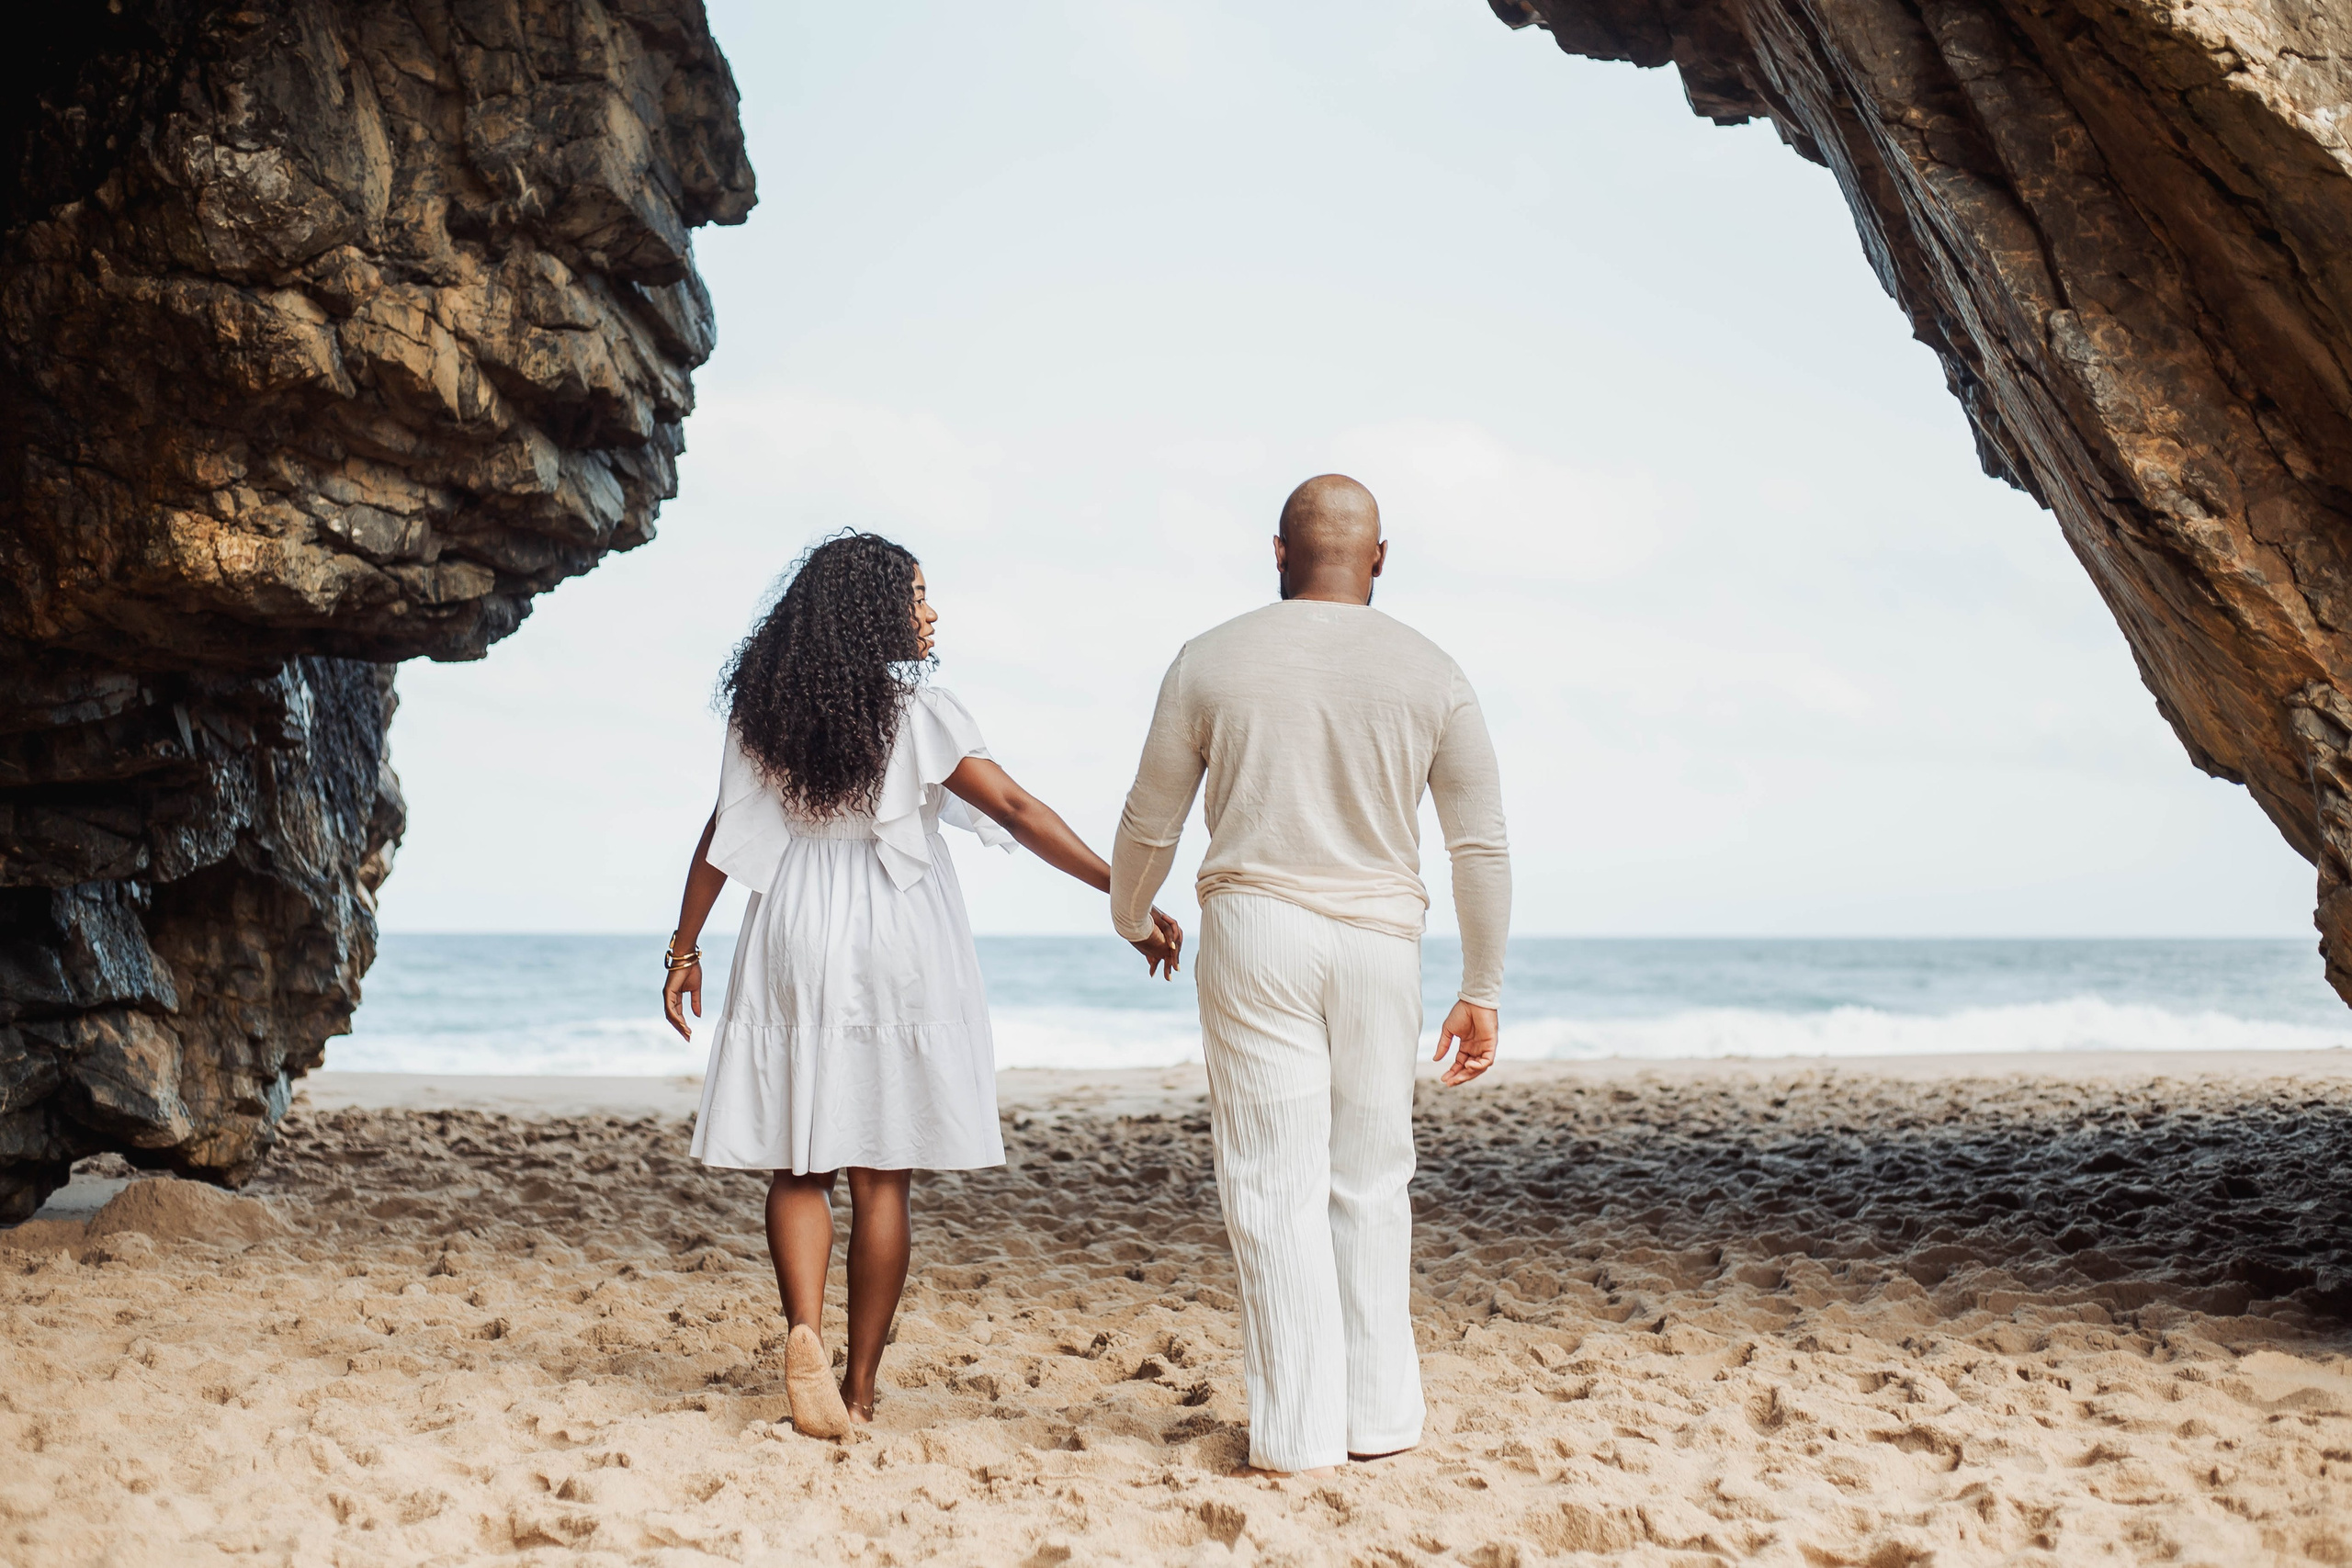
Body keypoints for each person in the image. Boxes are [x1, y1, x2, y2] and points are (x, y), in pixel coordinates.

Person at [662, 532, 1183, 1438]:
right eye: (916, 596)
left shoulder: (766, 712)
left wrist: (683, 950)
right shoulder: (920, 711)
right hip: (895, 927)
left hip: (793, 919)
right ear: (874, 614)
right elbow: (1015, 808)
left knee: (797, 1162)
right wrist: (1124, 895)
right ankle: (860, 1391)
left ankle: (801, 1330)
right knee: (881, 1174)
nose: (931, 613)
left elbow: (721, 833)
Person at [1109, 475, 1510, 1476]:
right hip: (1381, 940)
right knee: (1372, 1178)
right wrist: (1482, 987)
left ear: (1279, 553)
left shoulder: (1210, 657)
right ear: (1380, 557)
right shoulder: (1432, 670)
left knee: (1273, 1186)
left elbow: (1151, 819)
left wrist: (1131, 912)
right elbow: (1478, 846)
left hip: (1257, 929)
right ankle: (1379, 1419)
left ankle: (1297, 1435)